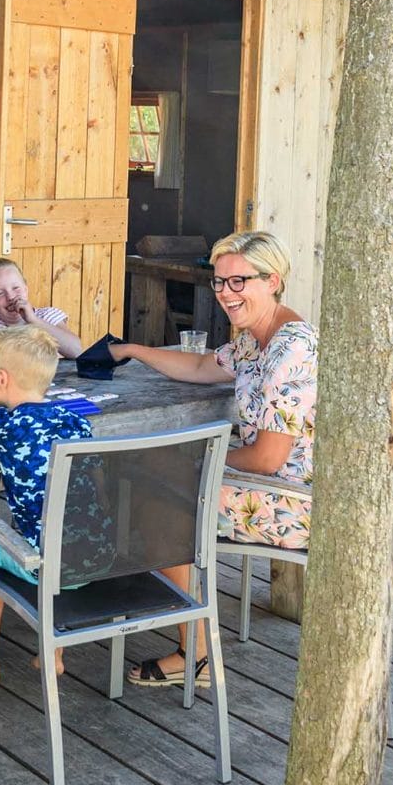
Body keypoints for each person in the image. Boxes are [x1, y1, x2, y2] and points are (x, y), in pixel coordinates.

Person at [109, 229, 317, 686]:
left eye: (238, 282)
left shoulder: (291, 348)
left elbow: (265, 458)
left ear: (273, 280)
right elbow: (205, 367)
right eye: (219, 283)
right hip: (271, 483)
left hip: (297, 500)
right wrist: (133, 350)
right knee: (151, 477)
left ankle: (195, 652)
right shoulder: (254, 337)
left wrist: (196, 460)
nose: (226, 293)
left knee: (159, 498)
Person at [0, 325, 108, 686]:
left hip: (54, 563)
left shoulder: (4, 425)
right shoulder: (74, 420)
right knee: (58, 531)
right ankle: (52, 653)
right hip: (101, 554)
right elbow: (98, 485)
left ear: (1, 378)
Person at [0, 256, 85, 358]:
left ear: (26, 289)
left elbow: (77, 351)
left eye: (16, 288)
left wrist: (34, 320)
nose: (10, 297)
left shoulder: (47, 316)